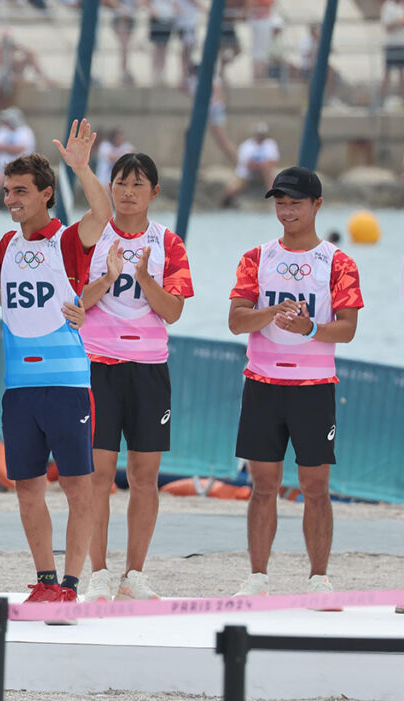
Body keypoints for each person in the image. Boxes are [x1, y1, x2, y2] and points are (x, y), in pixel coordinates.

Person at [0, 120, 112, 617]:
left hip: (66, 384)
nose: (11, 197)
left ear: (45, 195)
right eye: (8, 189)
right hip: (19, 386)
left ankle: (71, 584)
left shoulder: (66, 241)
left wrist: (81, 168)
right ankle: (43, 580)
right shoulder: (4, 247)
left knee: (78, 485)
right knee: (28, 487)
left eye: (21, 191)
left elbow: (102, 214)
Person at [229, 166, 363, 598]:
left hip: (314, 386)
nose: (286, 210)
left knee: (315, 488)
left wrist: (308, 329)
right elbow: (235, 321)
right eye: (280, 202)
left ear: (316, 205)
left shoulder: (339, 262)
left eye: (295, 203)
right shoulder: (256, 258)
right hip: (263, 384)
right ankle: (257, 578)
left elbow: (347, 329)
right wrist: (271, 313)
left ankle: (318, 578)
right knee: (262, 486)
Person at [77, 152, 194, 601]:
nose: (127, 193)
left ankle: (135, 574)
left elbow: (173, 311)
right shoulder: (93, 235)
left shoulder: (169, 242)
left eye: (137, 185)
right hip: (99, 366)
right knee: (97, 476)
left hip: (148, 369)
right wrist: (107, 278)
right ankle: (100, 572)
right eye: (120, 183)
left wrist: (144, 278)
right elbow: (77, 302)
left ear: (154, 193)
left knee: (145, 476)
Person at [0, 107, 36, 208]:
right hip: (1, 167)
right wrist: (9, 148)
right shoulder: (3, 130)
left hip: (20, 168)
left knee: (7, 179)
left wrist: (4, 147)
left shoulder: (25, 131)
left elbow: (19, 148)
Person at [222, 122, 280, 207]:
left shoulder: (270, 144)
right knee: (233, 188)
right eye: (259, 135)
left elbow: (274, 161)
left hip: (265, 171)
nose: (260, 137)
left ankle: (274, 196)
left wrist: (263, 166)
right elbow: (248, 165)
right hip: (247, 173)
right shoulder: (247, 146)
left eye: (262, 135)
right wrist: (262, 165)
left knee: (269, 172)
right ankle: (226, 203)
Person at [104, 0, 137, 85]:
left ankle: (125, 72)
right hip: (120, 19)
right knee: (124, 47)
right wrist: (121, 9)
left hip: (129, 18)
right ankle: (123, 72)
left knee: (126, 48)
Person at [147, 0, 177, 86]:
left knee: (164, 48)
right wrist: (153, 11)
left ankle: (162, 73)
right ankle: (154, 74)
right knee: (156, 48)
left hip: (168, 20)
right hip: (157, 20)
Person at [246, 0, 274, 83]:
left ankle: (262, 76)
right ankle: (257, 76)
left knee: (263, 50)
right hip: (258, 21)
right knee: (258, 51)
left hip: (264, 20)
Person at [382, 0, 404, 104]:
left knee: (402, 74)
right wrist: (397, 22)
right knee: (387, 74)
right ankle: (382, 100)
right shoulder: (388, 6)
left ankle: (402, 100)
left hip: (402, 44)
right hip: (391, 45)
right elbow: (387, 27)